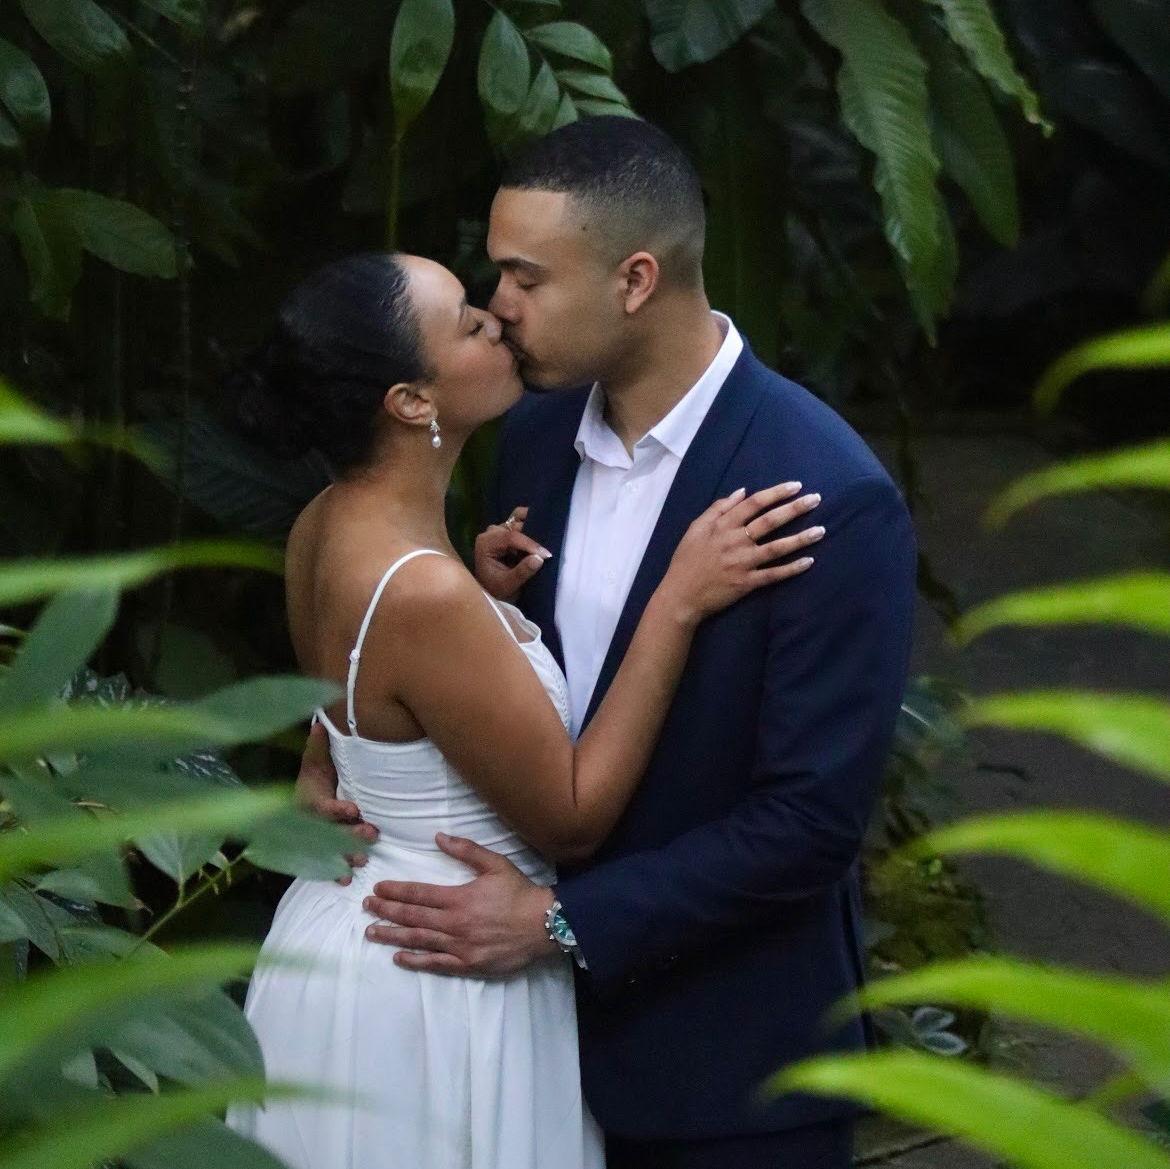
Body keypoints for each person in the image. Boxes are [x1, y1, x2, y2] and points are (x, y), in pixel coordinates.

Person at [302, 116, 919, 1168]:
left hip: (728, 1069)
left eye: (524, 278)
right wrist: (338, 753)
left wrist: (558, 923)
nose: (499, 308)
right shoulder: (532, 437)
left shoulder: (827, 493)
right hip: (504, 1050)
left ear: (635, 279)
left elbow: (810, 821)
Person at [224, 250, 824, 1169]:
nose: (497, 318)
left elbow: (359, 686)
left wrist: (467, 608)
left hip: (345, 933)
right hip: (436, 976)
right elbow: (572, 817)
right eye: (466, 321)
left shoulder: (322, 521)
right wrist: (677, 600)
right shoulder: (423, 596)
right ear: (410, 402)